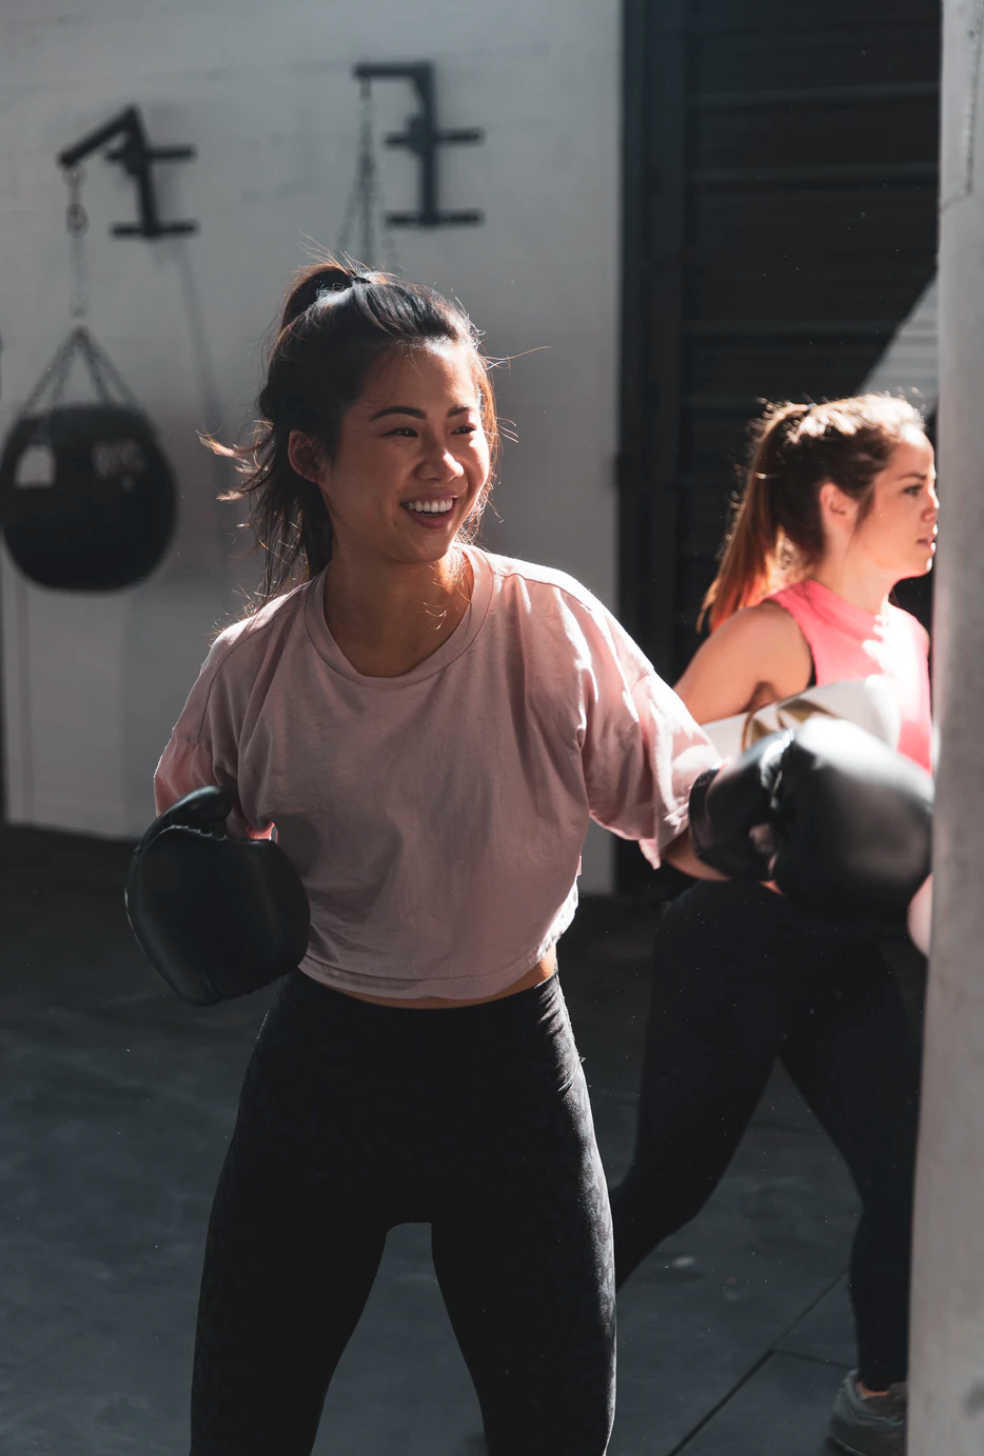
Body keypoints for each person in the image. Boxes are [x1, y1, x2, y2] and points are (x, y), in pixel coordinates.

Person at [151, 259, 725, 1456]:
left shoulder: (549, 625)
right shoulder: (252, 667)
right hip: (326, 1069)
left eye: (465, 430)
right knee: (243, 1425)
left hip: (510, 1069)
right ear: (313, 456)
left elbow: (679, 798)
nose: (446, 466)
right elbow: (184, 843)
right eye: (402, 433)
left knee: (558, 1428)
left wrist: (763, 818)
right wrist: (200, 878)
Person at [609, 395, 937, 1456]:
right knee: (670, 1188)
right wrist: (763, 841)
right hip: (738, 951)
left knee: (910, 1179)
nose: (939, 507)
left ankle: (877, 1402)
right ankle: (529, 1329)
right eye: (913, 488)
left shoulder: (908, 634)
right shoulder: (765, 633)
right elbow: (660, 811)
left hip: (844, 952)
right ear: (840, 502)